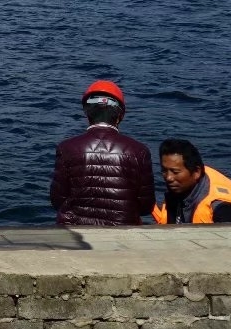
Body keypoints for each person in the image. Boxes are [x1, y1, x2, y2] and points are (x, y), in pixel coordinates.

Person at [48, 79, 155, 226]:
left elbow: (57, 200)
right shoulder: (140, 151)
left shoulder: (66, 148)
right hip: (123, 233)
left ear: (87, 114)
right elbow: (146, 206)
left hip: (76, 231)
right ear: (121, 116)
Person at [152, 139, 231, 224]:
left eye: (175, 172)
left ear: (196, 172)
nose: (168, 177)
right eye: (164, 171)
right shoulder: (182, 189)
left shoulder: (223, 209)